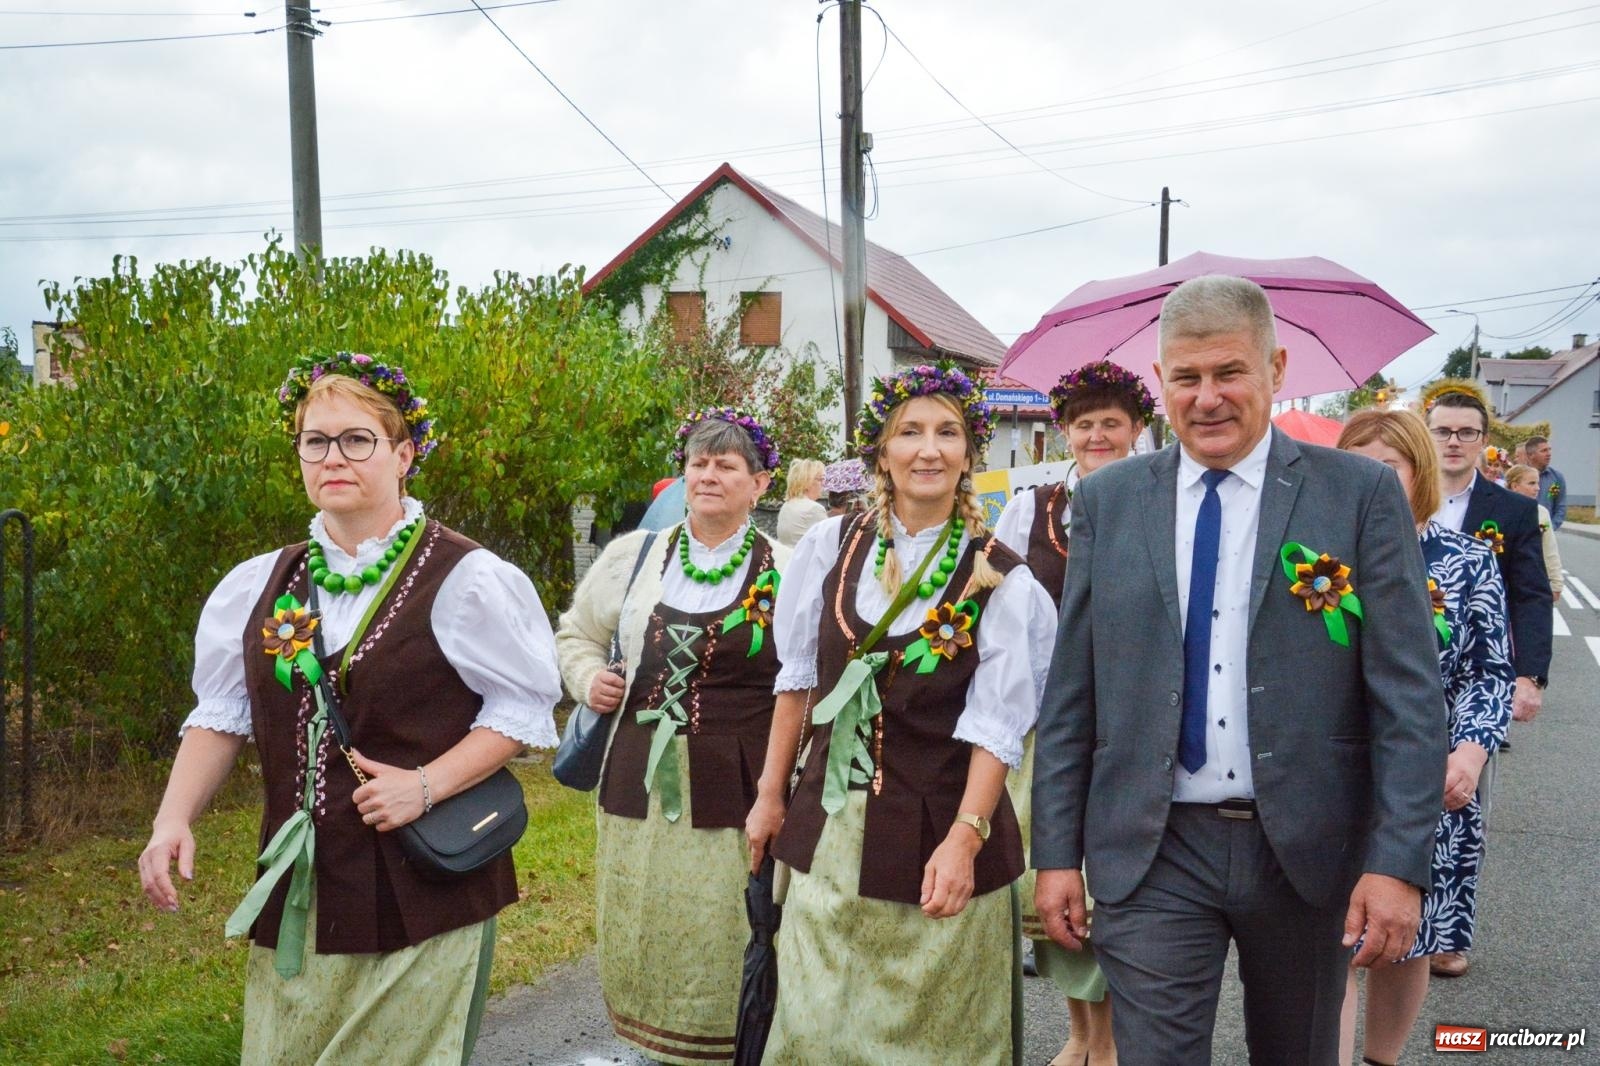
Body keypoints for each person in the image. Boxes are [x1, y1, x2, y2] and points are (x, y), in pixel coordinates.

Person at [1032, 275, 1446, 1065]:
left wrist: (1396, 863)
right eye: (1186, 378)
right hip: (1152, 848)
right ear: (1160, 382)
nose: (1207, 397)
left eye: (1229, 374)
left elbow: (1409, 697)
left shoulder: (1356, 496)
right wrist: (1055, 853)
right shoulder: (1110, 501)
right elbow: (1072, 692)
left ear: (1277, 369)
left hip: (1306, 850)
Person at [138, 352, 561, 1065]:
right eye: (316, 440)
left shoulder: (467, 578)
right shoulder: (259, 583)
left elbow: (521, 710)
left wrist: (423, 785)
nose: (334, 457)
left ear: (403, 455)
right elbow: (222, 713)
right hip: (301, 881)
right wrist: (172, 818)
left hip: (425, 883)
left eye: (357, 439)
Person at [749, 364, 1056, 1065]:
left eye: (947, 432)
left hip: (940, 833)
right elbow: (795, 686)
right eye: (909, 432)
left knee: (932, 1033)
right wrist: (769, 797)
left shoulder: (1001, 575)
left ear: (969, 452)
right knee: (817, 1018)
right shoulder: (829, 547)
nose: (928, 449)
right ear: (880, 452)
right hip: (826, 831)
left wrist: (965, 840)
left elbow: (997, 728)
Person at [555, 407, 788, 1065]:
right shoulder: (636, 557)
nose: (709, 475)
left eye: (726, 465)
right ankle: (649, 1043)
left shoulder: (789, 568)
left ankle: (726, 1043)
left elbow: (810, 677)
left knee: (725, 923)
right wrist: (588, 678)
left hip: (735, 785)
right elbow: (576, 633)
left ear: (761, 484)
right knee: (643, 920)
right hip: (635, 782)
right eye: (698, 463)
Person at [1336, 409, 1514, 1066]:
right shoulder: (1313, 561)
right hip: (1331, 777)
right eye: (1352, 466)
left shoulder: (1465, 561)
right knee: (1338, 943)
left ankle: (1384, 1057)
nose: (1366, 482)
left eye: (1384, 468)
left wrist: (1467, 754)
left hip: (1429, 782)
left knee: (1407, 936)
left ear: (1418, 474)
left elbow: (1491, 672)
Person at [993, 359, 1154, 1066]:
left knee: (1109, 885)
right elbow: (991, 593)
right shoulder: (1031, 506)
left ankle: (1113, 1041)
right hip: (1043, 722)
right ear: (1064, 432)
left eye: (1110, 423)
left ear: (1137, 428)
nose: (1096, 435)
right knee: (1048, 886)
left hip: (1127, 721)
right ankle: (1083, 1033)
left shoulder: (1161, 503)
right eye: (1083, 424)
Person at [1422, 382, 1551, 731]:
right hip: (1410, 666)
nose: (1452, 441)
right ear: (1425, 435)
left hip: (1478, 674)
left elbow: (1530, 595)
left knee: (1464, 781)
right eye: (1442, 431)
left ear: (1483, 439)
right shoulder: (1394, 500)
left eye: (1466, 432)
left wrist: (1530, 675)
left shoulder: (1516, 510)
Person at [1505, 463, 1565, 602]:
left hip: (1532, 582)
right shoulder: (1499, 509)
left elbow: (1550, 549)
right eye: (1531, 483)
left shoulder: (1542, 513)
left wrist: (1556, 583)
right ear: (1515, 486)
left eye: (1537, 483)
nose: (1537, 488)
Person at [776, 457, 828, 547]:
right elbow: (827, 544)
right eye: (821, 479)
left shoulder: (787, 505)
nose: (823, 483)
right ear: (808, 482)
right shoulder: (814, 509)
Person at [1524, 434, 1568, 529]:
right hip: (1522, 532)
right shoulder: (1519, 475)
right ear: (1531, 455)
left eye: (1549, 449)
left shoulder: (1556, 478)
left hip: (1546, 532)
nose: (1549, 453)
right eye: (1544, 451)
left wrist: (1549, 528)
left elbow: (1560, 507)